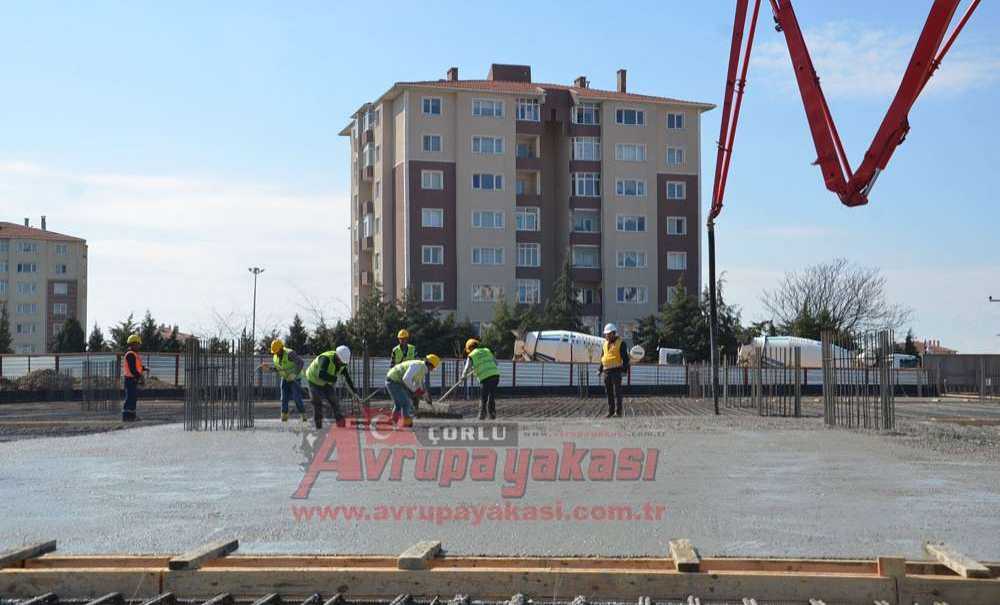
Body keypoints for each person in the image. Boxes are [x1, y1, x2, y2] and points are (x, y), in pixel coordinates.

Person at [304, 345, 359, 429]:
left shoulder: (343, 363)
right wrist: (334, 378)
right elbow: (321, 374)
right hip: (313, 380)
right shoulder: (325, 359)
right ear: (337, 356)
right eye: (341, 361)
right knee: (317, 402)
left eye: (344, 362)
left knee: (334, 400)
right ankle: (318, 426)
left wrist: (354, 392)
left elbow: (347, 378)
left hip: (326, 382)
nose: (342, 363)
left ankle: (340, 422)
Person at [385, 354, 439, 427]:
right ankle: (406, 422)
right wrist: (416, 390)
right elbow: (406, 379)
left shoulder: (422, 368)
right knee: (406, 402)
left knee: (399, 403)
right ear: (430, 365)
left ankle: (393, 421)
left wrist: (425, 396)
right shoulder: (417, 366)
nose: (432, 370)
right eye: (433, 368)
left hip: (394, 381)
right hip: (393, 381)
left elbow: (418, 383)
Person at [269, 339, 308, 423]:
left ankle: (303, 415)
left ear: (281, 348)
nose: (275, 353)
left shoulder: (290, 353)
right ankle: (284, 415)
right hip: (285, 378)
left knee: (296, 397)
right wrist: (270, 368)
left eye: (277, 351)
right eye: (274, 352)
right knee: (284, 398)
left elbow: (300, 363)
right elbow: (279, 369)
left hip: (295, 378)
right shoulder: (275, 357)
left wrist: (294, 374)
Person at [462, 339, 501, 420]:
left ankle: (482, 415)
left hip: (485, 378)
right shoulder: (487, 350)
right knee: (491, 395)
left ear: (469, 349)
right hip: (495, 376)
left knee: (484, 397)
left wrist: (463, 376)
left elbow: (466, 368)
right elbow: (496, 363)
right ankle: (492, 414)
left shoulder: (472, 355)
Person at [598, 323, 630, 418]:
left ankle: (618, 412)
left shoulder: (621, 343)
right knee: (609, 392)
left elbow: (625, 359)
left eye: (608, 334)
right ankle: (610, 411)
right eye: (606, 334)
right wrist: (600, 370)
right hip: (606, 371)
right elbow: (603, 358)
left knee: (617, 392)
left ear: (613, 333)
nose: (606, 335)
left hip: (616, 371)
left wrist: (624, 371)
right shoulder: (604, 344)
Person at [391, 328, 431, 405]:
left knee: (415, 392)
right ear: (399, 339)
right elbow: (392, 364)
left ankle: (415, 408)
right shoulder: (395, 350)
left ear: (407, 339)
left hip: (411, 374)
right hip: (399, 375)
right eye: (401, 339)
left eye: (404, 339)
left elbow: (416, 361)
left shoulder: (412, 349)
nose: (403, 340)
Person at [121, 333, 147, 422]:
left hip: (133, 379)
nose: (139, 346)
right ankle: (126, 416)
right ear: (133, 344)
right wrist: (140, 377)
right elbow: (132, 369)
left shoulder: (134, 354)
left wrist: (143, 368)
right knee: (130, 398)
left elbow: (136, 366)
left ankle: (131, 416)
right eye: (138, 344)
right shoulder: (130, 354)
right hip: (130, 379)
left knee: (133, 397)